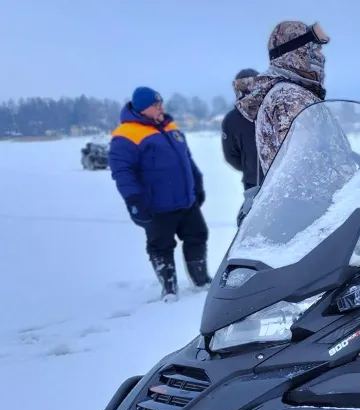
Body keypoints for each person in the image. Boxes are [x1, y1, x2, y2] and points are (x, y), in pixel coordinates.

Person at [108, 87, 211, 302]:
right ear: (142, 109)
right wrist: (134, 200)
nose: (160, 108)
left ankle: (201, 281)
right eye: (156, 105)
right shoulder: (126, 135)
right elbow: (122, 172)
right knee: (160, 246)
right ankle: (170, 289)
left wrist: (197, 183)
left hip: (185, 201)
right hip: (156, 206)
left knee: (197, 236)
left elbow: (187, 159)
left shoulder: (170, 127)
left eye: (160, 104)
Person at [234, 21, 329, 175]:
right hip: (311, 198)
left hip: (301, 198)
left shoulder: (286, 92)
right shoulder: (291, 99)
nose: (321, 56)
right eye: (316, 50)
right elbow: (309, 169)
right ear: (299, 52)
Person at [222, 68, 264, 191]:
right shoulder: (232, 119)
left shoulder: (273, 110)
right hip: (253, 184)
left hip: (278, 181)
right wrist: (250, 168)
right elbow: (231, 155)